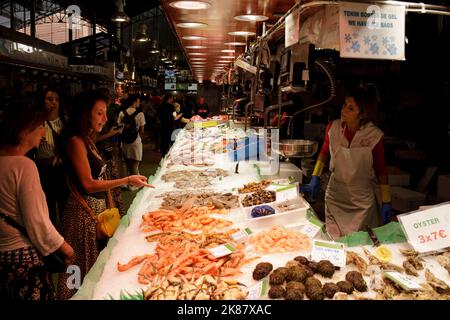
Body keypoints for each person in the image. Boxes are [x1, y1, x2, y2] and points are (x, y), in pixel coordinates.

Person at [57, 90, 152, 299]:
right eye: (99, 113)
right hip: (81, 218)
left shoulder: (88, 139)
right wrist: (127, 179)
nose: (105, 118)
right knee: (80, 272)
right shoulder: (75, 142)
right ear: (85, 114)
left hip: (95, 213)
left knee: (96, 270)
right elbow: (88, 184)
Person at [0, 96, 74, 300]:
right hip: (22, 258)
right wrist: (66, 248)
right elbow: (37, 222)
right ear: (24, 130)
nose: (43, 132)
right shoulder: (24, 166)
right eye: (40, 126)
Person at [301, 86, 392, 238]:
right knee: (334, 239)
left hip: (362, 201)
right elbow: (323, 153)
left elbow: (381, 169)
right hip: (336, 196)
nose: (343, 110)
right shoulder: (333, 128)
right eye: (344, 105)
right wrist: (315, 176)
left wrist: (386, 200)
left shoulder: (374, 135)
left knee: (359, 244)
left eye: (351, 108)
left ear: (362, 114)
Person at [34, 88, 69, 226]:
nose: (53, 103)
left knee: (64, 205)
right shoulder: (37, 123)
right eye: (49, 99)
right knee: (47, 205)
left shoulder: (66, 122)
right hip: (43, 170)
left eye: (57, 99)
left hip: (62, 170)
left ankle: (66, 235)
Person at [117, 94, 146, 190]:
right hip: (135, 141)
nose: (139, 103)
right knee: (134, 163)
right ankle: (133, 185)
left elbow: (119, 128)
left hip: (124, 141)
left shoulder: (122, 113)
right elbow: (142, 130)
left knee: (124, 161)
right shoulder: (140, 114)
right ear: (134, 102)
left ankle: (124, 184)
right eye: (138, 101)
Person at [158, 93, 175, 157]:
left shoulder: (160, 106)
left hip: (162, 125)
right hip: (169, 126)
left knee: (163, 140)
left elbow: (158, 115)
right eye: (172, 98)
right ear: (170, 99)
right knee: (169, 140)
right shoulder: (171, 106)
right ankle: (167, 154)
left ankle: (163, 154)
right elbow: (174, 116)